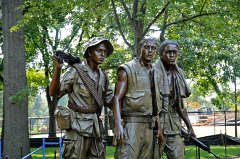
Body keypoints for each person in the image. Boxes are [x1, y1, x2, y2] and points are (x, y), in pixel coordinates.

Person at [49, 37, 114, 159]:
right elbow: (54, 92)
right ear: (89, 53)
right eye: (99, 51)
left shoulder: (103, 76)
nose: (103, 54)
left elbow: (110, 100)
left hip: (96, 130)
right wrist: (57, 69)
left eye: (105, 52)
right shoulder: (75, 71)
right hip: (77, 128)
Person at [113, 37, 163, 159]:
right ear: (139, 49)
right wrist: (118, 124)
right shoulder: (126, 69)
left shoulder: (156, 72)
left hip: (150, 126)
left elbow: (156, 102)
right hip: (131, 124)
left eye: (153, 48)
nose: (150, 51)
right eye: (146, 47)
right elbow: (116, 98)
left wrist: (159, 127)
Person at [153, 40, 196, 159]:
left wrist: (189, 126)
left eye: (174, 52)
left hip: (173, 126)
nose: (171, 55)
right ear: (161, 53)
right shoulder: (151, 71)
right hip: (154, 127)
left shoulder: (179, 74)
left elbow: (180, 106)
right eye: (168, 52)